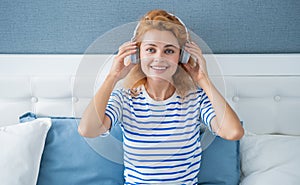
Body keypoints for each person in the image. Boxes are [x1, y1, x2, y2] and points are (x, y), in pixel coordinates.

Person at [78, 9, 244, 185]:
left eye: (169, 51)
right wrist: (113, 77)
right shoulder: (124, 99)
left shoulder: (195, 99)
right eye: (151, 49)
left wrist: (203, 80)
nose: (159, 58)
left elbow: (233, 132)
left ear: (182, 57)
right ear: (137, 55)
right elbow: (87, 129)